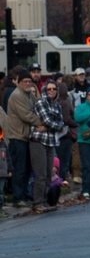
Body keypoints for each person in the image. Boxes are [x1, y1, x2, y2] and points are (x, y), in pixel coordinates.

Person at [6, 69, 42, 206]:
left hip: (27, 137)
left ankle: (25, 194)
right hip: (18, 137)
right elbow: (26, 115)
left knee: (27, 168)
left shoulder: (28, 94)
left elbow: (37, 106)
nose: (28, 84)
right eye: (25, 81)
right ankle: (17, 198)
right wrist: (42, 123)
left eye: (29, 81)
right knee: (19, 169)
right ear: (19, 82)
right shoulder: (17, 95)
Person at [29, 81, 65, 209]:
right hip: (38, 141)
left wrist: (49, 127)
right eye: (49, 89)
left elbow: (61, 123)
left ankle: (45, 201)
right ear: (44, 90)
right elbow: (46, 120)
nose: (51, 91)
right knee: (41, 174)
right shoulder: (40, 102)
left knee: (49, 173)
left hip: (50, 142)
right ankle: (37, 202)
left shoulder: (57, 105)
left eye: (54, 88)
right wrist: (52, 125)